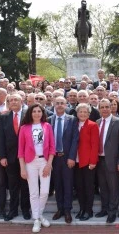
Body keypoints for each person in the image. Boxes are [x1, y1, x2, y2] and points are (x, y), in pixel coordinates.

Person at [18, 103, 55, 233]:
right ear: (30, 113)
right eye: (34, 111)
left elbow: (52, 147)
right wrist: (22, 168)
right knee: (33, 192)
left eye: (39, 111)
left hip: (44, 161)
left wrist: (49, 164)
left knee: (44, 191)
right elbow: (20, 151)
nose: (37, 113)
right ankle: (37, 219)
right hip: (30, 163)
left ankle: (38, 215)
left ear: (42, 113)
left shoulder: (47, 126)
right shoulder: (24, 128)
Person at [0, 94, 31, 221]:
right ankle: (13, 210)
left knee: (25, 186)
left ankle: (25, 210)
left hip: (27, 158)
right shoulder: (4, 116)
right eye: (11, 100)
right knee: (13, 186)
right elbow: (1, 137)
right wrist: (2, 156)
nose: (13, 102)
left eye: (16, 99)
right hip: (10, 158)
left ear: (21, 101)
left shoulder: (28, 115)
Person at [95, 99, 119, 224]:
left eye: (106, 107)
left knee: (113, 188)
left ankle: (112, 212)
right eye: (102, 107)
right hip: (99, 160)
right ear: (99, 109)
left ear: (111, 107)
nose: (104, 109)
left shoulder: (118, 122)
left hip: (113, 161)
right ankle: (104, 209)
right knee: (102, 187)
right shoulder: (97, 122)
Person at [48, 96, 79, 224]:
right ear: (54, 105)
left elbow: (75, 140)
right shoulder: (49, 120)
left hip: (67, 158)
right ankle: (59, 208)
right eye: (57, 103)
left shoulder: (72, 120)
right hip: (53, 158)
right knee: (57, 185)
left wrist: (72, 157)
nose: (60, 105)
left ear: (66, 105)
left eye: (62, 103)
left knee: (68, 184)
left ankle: (67, 210)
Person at [74, 103, 99, 221]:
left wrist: (93, 161)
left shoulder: (92, 125)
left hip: (88, 162)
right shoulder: (74, 124)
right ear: (77, 113)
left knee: (88, 187)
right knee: (79, 187)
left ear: (89, 114)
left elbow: (95, 145)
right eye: (80, 112)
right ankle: (82, 209)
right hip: (76, 161)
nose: (82, 114)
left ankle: (89, 210)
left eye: (85, 112)